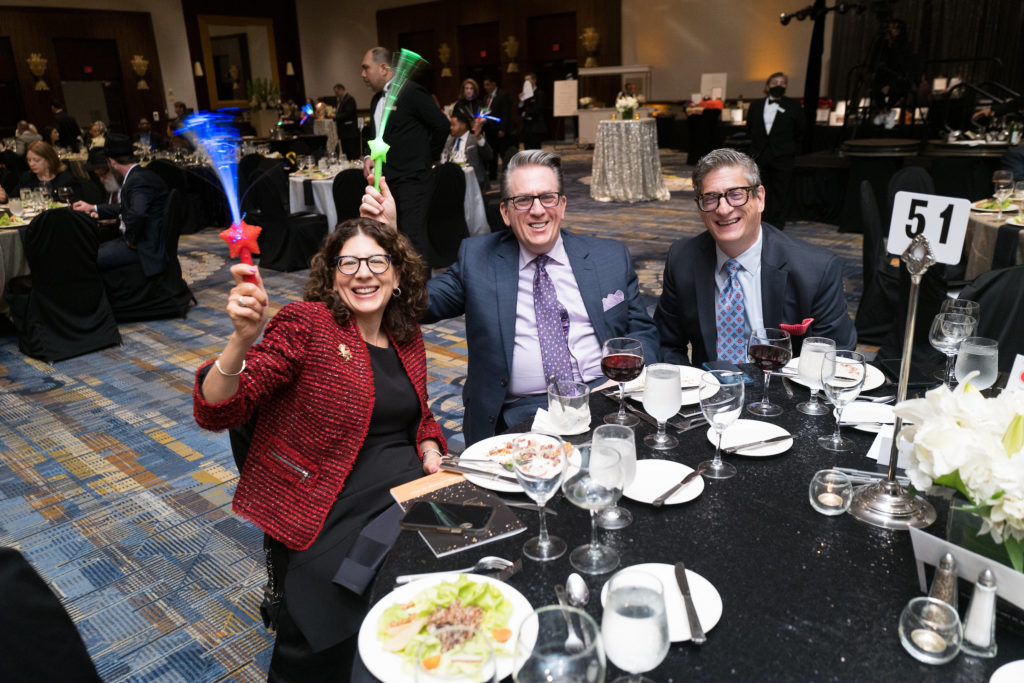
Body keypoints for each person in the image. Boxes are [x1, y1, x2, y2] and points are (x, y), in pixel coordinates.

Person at [193, 218, 445, 680]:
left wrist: (430, 444)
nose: (363, 273)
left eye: (376, 261)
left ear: (396, 275)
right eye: (348, 262)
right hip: (330, 501)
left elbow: (421, 413)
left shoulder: (406, 334)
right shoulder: (307, 324)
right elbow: (220, 409)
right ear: (331, 275)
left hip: (408, 483)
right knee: (362, 600)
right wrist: (240, 343)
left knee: (470, 550)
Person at [361, 149, 659, 445]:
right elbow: (416, 304)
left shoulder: (608, 256)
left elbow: (642, 331)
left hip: (603, 394)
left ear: (563, 205)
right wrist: (387, 236)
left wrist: (617, 385)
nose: (538, 210)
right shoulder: (478, 260)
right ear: (505, 212)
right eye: (523, 200)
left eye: (547, 197)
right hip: (524, 410)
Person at [655, 148, 856, 367]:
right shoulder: (682, 259)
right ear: (700, 208)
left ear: (759, 198)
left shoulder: (816, 269)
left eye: (736, 195)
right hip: (709, 391)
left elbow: (837, 354)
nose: (723, 209)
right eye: (711, 198)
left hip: (787, 392)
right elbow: (667, 344)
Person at [360, 46, 450, 267]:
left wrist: (429, 156)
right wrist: (368, 156)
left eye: (366, 68)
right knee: (388, 236)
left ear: (383, 68)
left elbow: (441, 125)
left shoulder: (411, 92)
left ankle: (420, 296)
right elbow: (377, 136)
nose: (362, 74)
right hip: (386, 180)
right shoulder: (375, 101)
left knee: (413, 238)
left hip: (413, 179)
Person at [71, 134, 168, 276]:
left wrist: (130, 238)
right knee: (90, 251)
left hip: (144, 248)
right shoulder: (139, 174)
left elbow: (138, 213)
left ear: (111, 162)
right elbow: (128, 208)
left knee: (84, 260)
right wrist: (93, 207)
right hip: (145, 240)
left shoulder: (137, 180)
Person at [745, 72, 804, 230]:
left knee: (781, 189)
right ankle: (760, 219)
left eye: (782, 83)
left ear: (785, 87)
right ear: (767, 86)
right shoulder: (756, 105)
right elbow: (749, 128)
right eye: (774, 82)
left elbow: (799, 130)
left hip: (783, 154)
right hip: (760, 153)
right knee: (760, 188)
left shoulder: (793, 105)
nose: (778, 85)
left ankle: (778, 223)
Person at [0, 140, 81, 203]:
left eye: (36, 160)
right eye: (29, 160)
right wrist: (5, 198)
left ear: (49, 160)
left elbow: (76, 203)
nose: (31, 164)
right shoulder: (27, 178)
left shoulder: (66, 179)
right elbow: (14, 198)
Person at [441, 109, 492, 192]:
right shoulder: (449, 141)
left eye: (453, 125)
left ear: (463, 126)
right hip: (454, 181)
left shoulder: (475, 138)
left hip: (474, 183)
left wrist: (479, 137)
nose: (451, 127)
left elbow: (489, 156)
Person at [481, 75, 514, 180]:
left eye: (487, 84)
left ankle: (508, 175)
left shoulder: (502, 95)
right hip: (490, 130)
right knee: (492, 154)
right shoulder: (486, 97)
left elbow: (506, 113)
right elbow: (485, 111)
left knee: (504, 154)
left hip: (500, 130)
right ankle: (492, 175)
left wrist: (503, 129)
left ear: (493, 84)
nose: (485, 87)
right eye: (484, 85)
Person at [518, 73, 546, 150]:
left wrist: (525, 113)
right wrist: (521, 102)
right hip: (526, 126)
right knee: (527, 149)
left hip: (536, 126)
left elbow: (536, 110)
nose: (526, 82)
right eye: (525, 80)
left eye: (528, 80)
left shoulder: (539, 93)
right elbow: (519, 112)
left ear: (534, 80)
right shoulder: (524, 94)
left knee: (535, 150)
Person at [333, 83, 360, 161]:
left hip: (350, 131)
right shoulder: (341, 100)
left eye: (337, 92)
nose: (336, 94)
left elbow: (348, 113)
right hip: (344, 132)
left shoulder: (349, 99)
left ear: (341, 90)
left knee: (352, 153)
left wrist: (336, 117)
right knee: (346, 154)